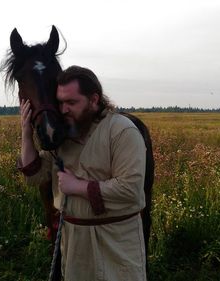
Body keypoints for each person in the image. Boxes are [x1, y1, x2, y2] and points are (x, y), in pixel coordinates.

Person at [18, 66, 147, 280]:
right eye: (60, 102)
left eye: (71, 102)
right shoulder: (65, 137)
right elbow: (34, 175)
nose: (64, 109)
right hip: (75, 244)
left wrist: (78, 187)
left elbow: (130, 190)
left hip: (116, 242)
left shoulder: (122, 131)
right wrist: (26, 133)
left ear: (94, 99)